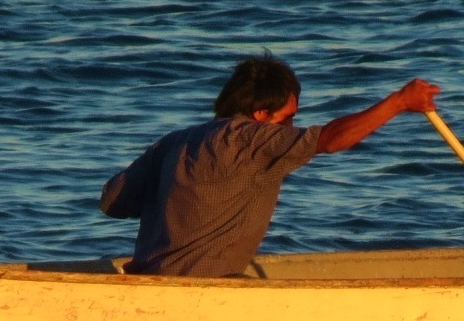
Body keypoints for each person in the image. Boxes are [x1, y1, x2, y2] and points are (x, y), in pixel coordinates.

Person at [100, 53, 440, 277]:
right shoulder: (254, 139)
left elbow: (112, 202)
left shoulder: (174, 141)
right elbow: (331, 139)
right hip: (205, 290)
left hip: (150, 282)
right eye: (289, 118)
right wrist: (398, 102)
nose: (292, 127)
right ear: (262, 114)